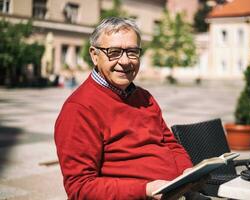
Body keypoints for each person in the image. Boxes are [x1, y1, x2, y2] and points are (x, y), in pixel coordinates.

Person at [55, 17, 204, 200]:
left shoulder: (144, 97)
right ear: (94, 55)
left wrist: (187, 171)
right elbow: (80, 188)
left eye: (132, 52)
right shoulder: (79, 109)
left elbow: (170, 144)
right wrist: (146, 190)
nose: (125, 61)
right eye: (114, 52)